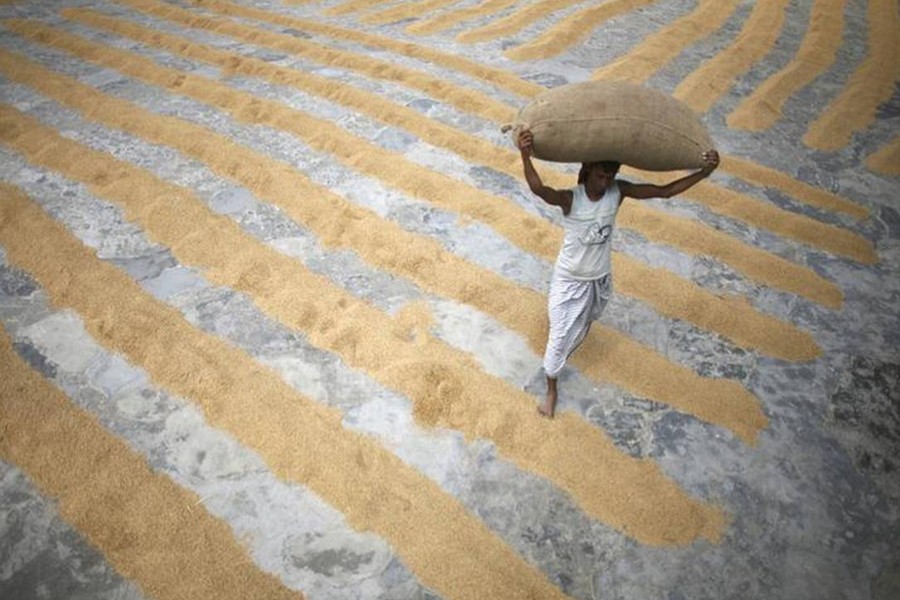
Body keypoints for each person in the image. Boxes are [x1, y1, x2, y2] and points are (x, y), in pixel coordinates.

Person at [517, 129, 719, 418]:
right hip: (570, 279)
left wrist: (704, 172)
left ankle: (564, 348)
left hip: (599, 277)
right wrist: (525, 153)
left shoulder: (618, 192)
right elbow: (539, 189)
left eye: (610, 176)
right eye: (600, 175)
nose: (605, 182)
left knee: (585, 320)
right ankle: (551, 389)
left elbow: (664, 192)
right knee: (558, 335)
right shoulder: (571, 200)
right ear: (587, 171)